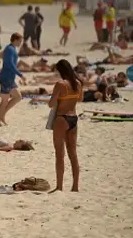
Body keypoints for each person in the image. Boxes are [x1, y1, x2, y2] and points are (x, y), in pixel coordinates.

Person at [48, 59, 83, 193]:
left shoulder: (60, 84)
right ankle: (75, 187)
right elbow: (79, 99)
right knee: (73, 154)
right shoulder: (78, 84)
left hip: (61, 118)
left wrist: (57, 99)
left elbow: (51, 104)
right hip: (73, 118)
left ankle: (59, 186)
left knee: (59, 153)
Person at [0, 33, 26, 127]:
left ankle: (2, 115)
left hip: (10, 79)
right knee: (4, 100)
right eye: (20, 41)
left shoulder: (12, 49)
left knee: (18, 96)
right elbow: (10, 65)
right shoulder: (9, 49)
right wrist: (20, 75)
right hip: (5, 78)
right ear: (15, 40)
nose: (20, 43)